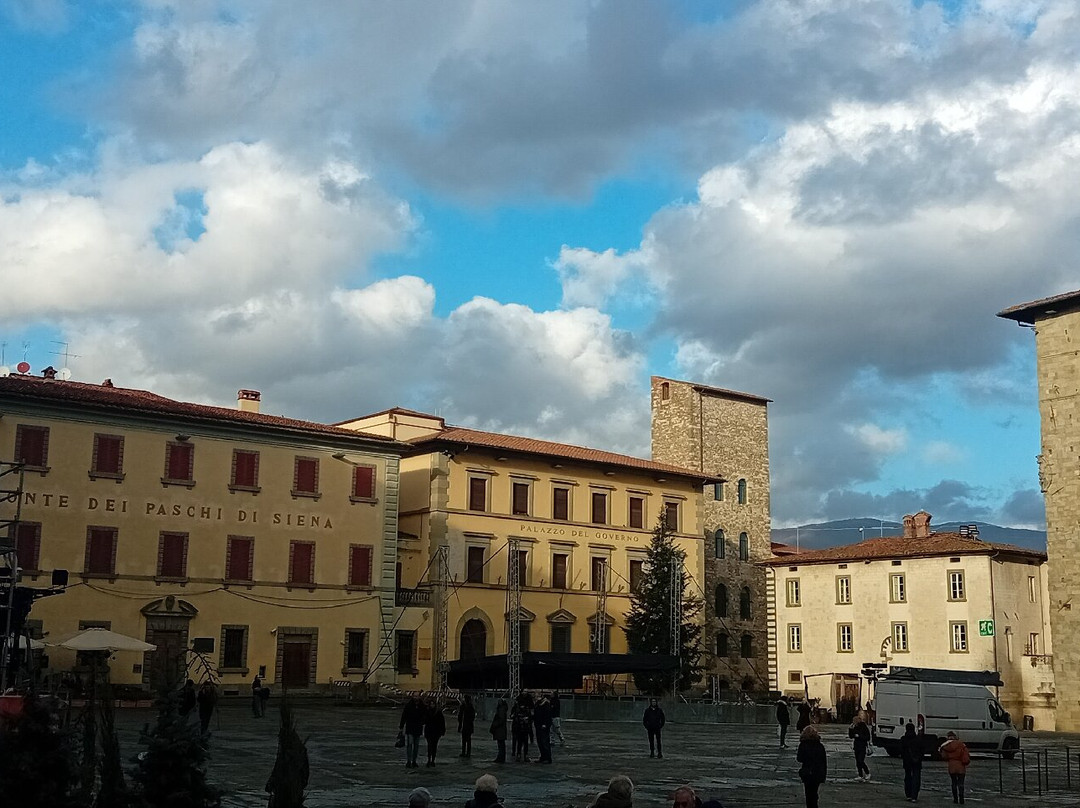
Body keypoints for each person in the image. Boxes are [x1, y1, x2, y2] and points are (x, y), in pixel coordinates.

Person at [796, 725, 828, 808]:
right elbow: (823, 761)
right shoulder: (820, 746)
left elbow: (799, 758)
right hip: (817, 772)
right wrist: (823, 774)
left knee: (808, 793)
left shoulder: (803, 745)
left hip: (807, 772)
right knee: (814, 792)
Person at [939, 731, 971, 804]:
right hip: (960, 766)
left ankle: (955, 799)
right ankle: (961, 799)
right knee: (961, 783)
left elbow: (944, 756)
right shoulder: (961, 744)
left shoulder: (946, 746)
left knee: (954, 783)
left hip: (952, 766)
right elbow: (966, 756)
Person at [400, 696, 425, 769]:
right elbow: (404, 716)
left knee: (416, 746)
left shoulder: (422, 706)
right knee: (410, 744)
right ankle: (409, 761)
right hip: (410, 728)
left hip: (418, 728)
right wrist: (401, 726)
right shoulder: (409, 706)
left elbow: (424, 715)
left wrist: (422, 722)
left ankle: (414, 760)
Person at [900, 722, 923, 802]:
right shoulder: (918, 739)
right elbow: (922, 750)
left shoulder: (903, 739)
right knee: (916, 777)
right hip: (917, 761)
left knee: (908, 777)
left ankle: (908, 794)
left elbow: (901, 751)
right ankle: (914, 795)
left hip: (907, 761)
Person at [848, 713, 872, 781]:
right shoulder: (855, 727)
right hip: (857, 746)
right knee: (857, 762)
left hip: (862, 746)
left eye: (854, 721)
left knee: (861, 760)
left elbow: (867, 737)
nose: (853, 722)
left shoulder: (863, 727)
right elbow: (851, 736)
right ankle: (860, 775)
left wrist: (859, 736)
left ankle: (867, 773)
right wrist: (850, 729)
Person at [511, 692, 533, 762]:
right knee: (520, 742)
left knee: (524, 742)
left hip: (523, 727)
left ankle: (522, 755)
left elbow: (530, 718)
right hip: (519, 727)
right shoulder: (517, 708)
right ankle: (519, 754)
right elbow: (513, 715)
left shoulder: (526, 709)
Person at [424, 698, 446, 767]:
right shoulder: (427, 712)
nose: (432, 705)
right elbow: (424, 720)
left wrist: (442, 731)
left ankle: (433, 760)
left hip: (436, 732)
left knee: (434, 746)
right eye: (431, 704)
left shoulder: (438, 712)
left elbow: (442, 722)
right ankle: (429, 759)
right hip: (429, 731)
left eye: (433, 704)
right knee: (429, 746)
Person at [533, 692, 554, 764]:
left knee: (544, 742)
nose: (536, 698)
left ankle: (548, 758)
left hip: (544, 726)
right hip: (538, 725)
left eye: (537, 696)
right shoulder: (537, 704)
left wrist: (545, 724)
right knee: (540, 742)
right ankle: (543, 756)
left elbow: (547, 715)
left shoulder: (546, 704)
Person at [490, 697, 508, 763]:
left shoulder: (501, 710)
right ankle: (501, 757)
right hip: (501, 730)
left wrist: (494, 725)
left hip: (500, 729)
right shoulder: (503, 709)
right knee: (501, 744)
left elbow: (501, 720)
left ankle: (500, 758)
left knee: (500, 744)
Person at [458, 694, 476, 758]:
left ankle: (468, 753)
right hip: (464, 725)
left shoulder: (470, 707)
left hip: (468, 726)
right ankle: (463, 752)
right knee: (463, 740)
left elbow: (472, 717)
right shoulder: (462, 706)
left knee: (468, 740)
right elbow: (460, 715)